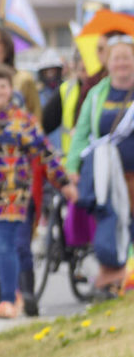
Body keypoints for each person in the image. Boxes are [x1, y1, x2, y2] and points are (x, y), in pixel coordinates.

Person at [0, 63, 76, 318]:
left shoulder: (23, 120)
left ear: (11, 90)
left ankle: (10, 298)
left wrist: (63, 182)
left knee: (7, 243)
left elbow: (45, 153)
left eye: (2, 86)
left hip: (13, 192)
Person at [64, 33, 134, 300]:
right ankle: (114, 277)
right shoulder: (96, 94)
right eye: (117, 58)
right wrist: (72, 166)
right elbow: (81, 134)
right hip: (108, 176)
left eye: (127, 57)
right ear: (108, 62)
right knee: (112, 223)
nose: (122, 63)